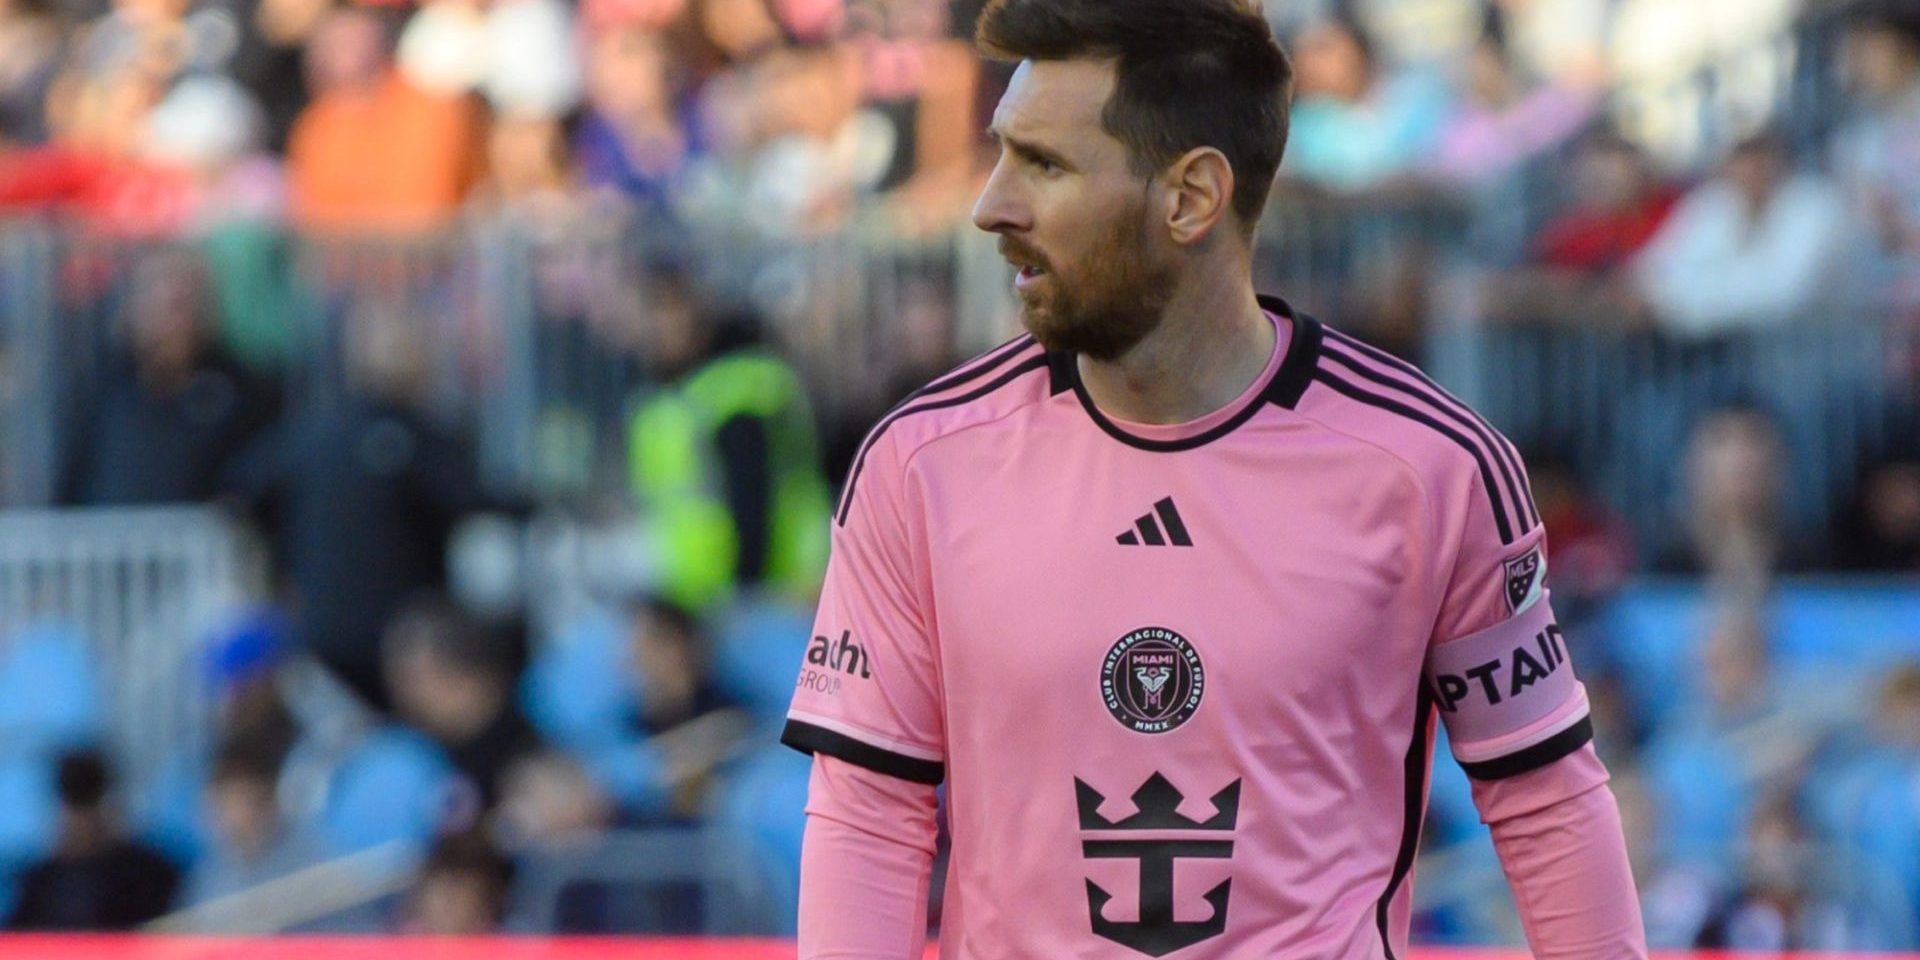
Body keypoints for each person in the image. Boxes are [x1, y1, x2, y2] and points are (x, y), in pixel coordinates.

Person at [781, 1, 1645, 957]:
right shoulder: (920, 461)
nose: (992, 205)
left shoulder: (1432, 467)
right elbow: (870, 813)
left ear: (1191, 196)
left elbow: (1544, 800)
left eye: (1045, 165)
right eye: (1002, 154)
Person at [5, 751, 180, 930]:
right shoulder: (39, 882)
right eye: (75, 806)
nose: (82, 821)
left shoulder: (151, 875)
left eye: (87, 805)